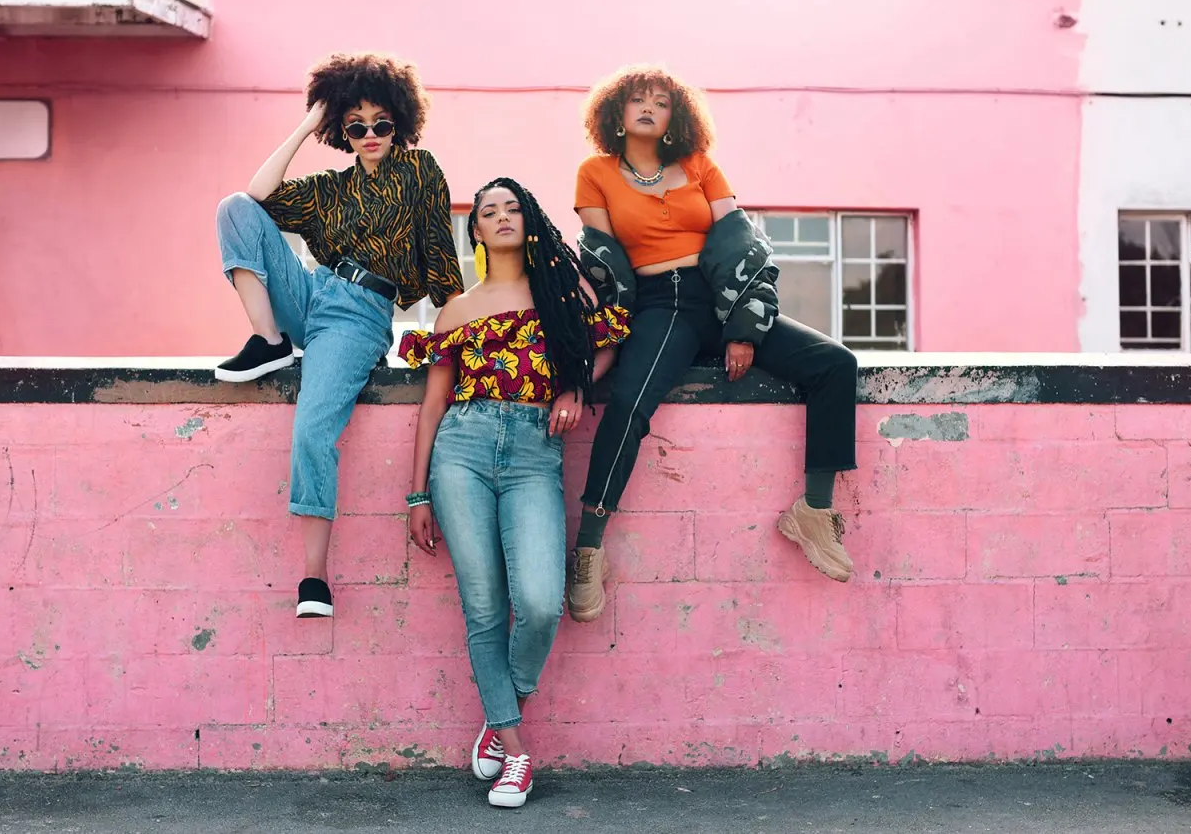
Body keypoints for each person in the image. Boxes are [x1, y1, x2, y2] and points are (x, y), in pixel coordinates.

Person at [568, 64, 860, 623]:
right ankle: (589, 547)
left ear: (677, 115)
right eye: (637, 100)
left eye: (661, 101)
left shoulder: (699, 165)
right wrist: (607, 338)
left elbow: (739, 243)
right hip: (659, 305)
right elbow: (602, 262)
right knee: (628, 403)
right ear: (617, 113)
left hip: (721, 297)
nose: (649, 108)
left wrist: (743, 329)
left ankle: (814, 511)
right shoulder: (595, 172)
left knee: (834, 364)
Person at [402, 178, 628, 808]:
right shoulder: (457, 309)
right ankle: (515, 750)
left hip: (534, 450)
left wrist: (574, 387)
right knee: (483, 606)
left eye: (512, 207)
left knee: (538, 600)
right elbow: (431, 406)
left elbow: (603, 347)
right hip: (461, 450)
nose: (501, 217)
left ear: (529, 219)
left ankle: (503, 712)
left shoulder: (563, 289)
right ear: (474, 230)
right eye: (488, 212)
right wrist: (417, 494)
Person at [214, 52, 464, 619]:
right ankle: (269, 339)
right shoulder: (330, 187)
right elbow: (257, 198)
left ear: (399, 121)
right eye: (355, 126)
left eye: (381, 123)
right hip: (312, 291)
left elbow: (443, 268)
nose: (370, 134)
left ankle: (314, 578)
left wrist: (462, 338)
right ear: (342, 132)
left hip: (360, 314)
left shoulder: (420, 171)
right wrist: (308, 123)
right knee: (233, 208)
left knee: (311, 429)